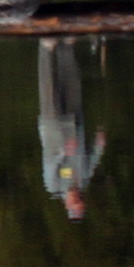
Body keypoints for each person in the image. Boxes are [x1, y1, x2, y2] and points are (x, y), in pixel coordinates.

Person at [35, 36, 103, 219]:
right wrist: (99, 144)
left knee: (48, 86)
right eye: (81, 200)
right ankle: (66, 47)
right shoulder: (83, 179)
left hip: (53, 129)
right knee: (72, 84)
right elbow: (93, 158)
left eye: (76, 201)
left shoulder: (54, 185)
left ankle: (46, 49)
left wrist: (63, 152)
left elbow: (50, 164)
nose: (78, 196)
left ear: (68, 204)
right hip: (74, 126)